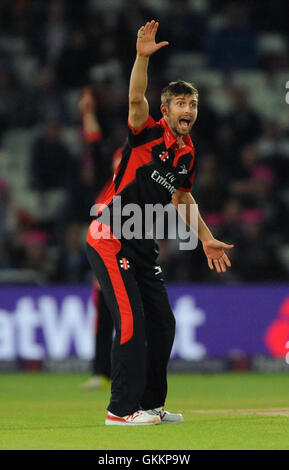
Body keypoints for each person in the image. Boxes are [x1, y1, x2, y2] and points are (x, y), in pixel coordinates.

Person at [85, 21, 234, 426]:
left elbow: (183, 198)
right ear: (165, 110)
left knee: (163, 324)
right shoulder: (145, 133)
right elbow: (135, 97)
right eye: (181, 104)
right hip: (109, 237)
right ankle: (120, 410)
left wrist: (205, 239)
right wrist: (142, 58)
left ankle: (150, 404)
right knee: (131, 320)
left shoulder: (187, 154)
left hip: (141, 243)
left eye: (193, 105)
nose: (188, 111)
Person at [78, 88, 121, 390]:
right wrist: (88, 115)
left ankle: (133, 369)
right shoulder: (108, 186)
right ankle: (100, 371)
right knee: (105, 309)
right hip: (106, 244)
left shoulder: (147, 172)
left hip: (133, 244)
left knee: (132, 313)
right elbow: (94, 148)